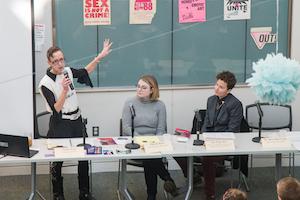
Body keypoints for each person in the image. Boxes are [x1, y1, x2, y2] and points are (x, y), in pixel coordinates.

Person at [39, 39, 112, 200]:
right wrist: (64, 90)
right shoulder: (45, 83)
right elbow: (56, 109)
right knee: (57, 161)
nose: (60, 64)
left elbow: (85, 71)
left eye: (61, 59)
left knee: (84, 156)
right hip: (60, 124)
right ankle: (58, 194)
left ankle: (84, 192)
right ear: (49, 62)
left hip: (77, 121)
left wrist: (99, 57)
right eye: (56, 61)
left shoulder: (67, 71)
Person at [122, 75, 178, 200]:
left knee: (150, 156)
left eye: (143, 87)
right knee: (150, 157)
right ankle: (166, 178)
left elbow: (161, 129)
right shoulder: (129, 103)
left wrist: (154, 142)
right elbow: (126, 127)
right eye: (138, 86)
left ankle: (151, 195)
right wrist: (140, 140)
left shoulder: (160, 105)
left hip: (154, 142)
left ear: (152, 90)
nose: (139, 90)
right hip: (135, 142)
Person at [202, 71, 243, 200]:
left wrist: (214, 141)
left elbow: (232, 130)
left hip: (225, 143)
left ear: (229, 90)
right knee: (184, 154)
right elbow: (206, 123)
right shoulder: (211, 100)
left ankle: (210, 194)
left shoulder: (235, 104)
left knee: (207, 159)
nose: (216, 88)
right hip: (208, 141)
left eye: (221, 87)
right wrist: (205, 137)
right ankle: (195, 176)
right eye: (216, 84)